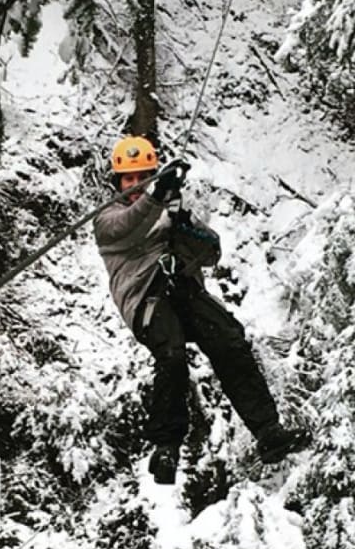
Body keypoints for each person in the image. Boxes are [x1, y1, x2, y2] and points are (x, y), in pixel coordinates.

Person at [93, 135, 309, 484]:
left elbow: (212, 252)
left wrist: (182, 224)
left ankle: (268, 431)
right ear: (117, 182)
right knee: (173, 354)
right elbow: (129, 224)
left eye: (142, 177)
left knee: (229, 339)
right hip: (146, 299)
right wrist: (157, 196)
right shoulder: (107, 219)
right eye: (128, 179)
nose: (135, 186)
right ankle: (166, 447)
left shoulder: (166, 210)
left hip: (183, 291)